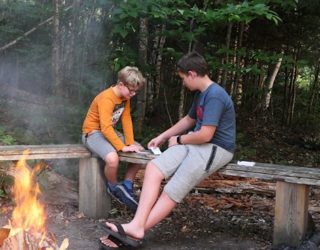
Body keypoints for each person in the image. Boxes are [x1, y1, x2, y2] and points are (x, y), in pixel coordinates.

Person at [100, 52, 236, 248]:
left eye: (182, 78)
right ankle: (136, 226)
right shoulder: (201, 93)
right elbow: (189, 120)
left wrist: (179, 139)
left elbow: (206, 134)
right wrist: (163, 137)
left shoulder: (215, 95)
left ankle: (138, 229)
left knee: (173, 188)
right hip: (195, 143)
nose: (183, 83)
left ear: (191, 74)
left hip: (216, 148)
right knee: (155, 167)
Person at [82, 66, 145, 212]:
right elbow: (105, 127)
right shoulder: (107, 98)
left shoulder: (125, 97)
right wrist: (122, 147)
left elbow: (126, 118)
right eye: (131, 90)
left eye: (136, 91)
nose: (133, 94)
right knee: (112, 159)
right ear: (121, 84)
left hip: (109, 131)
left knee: (140, 152)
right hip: (92, 133)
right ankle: (113, 187)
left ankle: (127, 186)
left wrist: (130, 143)